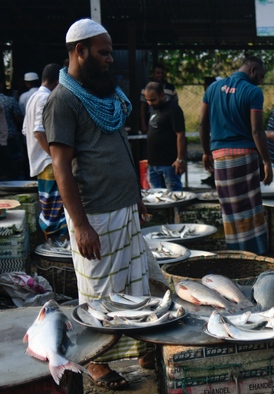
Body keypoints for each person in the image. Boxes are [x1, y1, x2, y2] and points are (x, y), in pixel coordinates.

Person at [44, 18, 151, 389]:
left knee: (135, 285)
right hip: (96, 215)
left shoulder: (105, 95)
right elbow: (60, 166)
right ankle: (96, 362)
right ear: (80, 52)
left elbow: (121, 149)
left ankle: (141, 344)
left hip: (123, 206)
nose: (110, 60)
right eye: (104, 53)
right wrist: (82, 224)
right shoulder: (63, 100)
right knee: (100, 292)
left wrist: (135, 198)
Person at [199, 56, 273, 255]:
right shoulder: (253, 92)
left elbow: (203, 124)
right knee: (251, 212)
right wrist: (266, 161)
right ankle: (257, 255)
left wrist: (206, 152)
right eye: (261, 76)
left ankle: (236, 254)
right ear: (253, 70)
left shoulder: (213, 89)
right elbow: (257, 131)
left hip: (220, 158)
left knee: (230, 213)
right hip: (246, 158)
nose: (260, 81)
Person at [22, 63, 68, 241]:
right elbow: (38, 132)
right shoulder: (45, 98)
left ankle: (51, 244)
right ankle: (56, 247)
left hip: (41, 162)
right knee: (54, 209)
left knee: (50, 206)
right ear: (57, 82)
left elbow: (26, 130)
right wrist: (55, 156)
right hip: (48, 162)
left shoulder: (34, 96)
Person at [144, 81, 187, 191]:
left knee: (174, 196)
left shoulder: (173, 109)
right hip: (153, 164)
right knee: (157, 198)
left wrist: (180, 159)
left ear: (162, 95)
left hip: (169, 164)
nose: (150, 103)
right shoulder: (154, 110)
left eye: (153, 100)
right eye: (147, 100)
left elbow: (180, 134)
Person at [139, 63, 177, 133]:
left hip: (168, 121)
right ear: (153, 74)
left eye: (162, 73)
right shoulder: (146, 89)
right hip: (152, 120)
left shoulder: (170, 88)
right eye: (158, 73)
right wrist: (143, 124)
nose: (160, 75)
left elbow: (175, 105)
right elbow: (143, 107)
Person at [0, 82, 24, 179]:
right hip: (10, 138)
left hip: (3, 139)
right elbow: (19, 118)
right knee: (14, 167)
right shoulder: (9, 100)